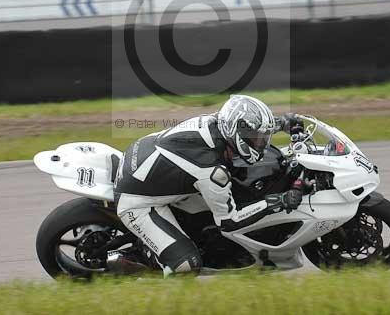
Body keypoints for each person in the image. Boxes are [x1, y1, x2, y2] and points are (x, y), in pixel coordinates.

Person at [113, 94, 304, 275]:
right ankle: (147, 256)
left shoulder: (218, 122)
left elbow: (245, 125)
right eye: (257, 139)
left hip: (140, 159)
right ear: (238, 135)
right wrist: (278, 201)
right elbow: (229, 222)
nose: (261, 143)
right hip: (136, 202)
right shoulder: (211, 169)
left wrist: (282, 123)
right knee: (187, 265)